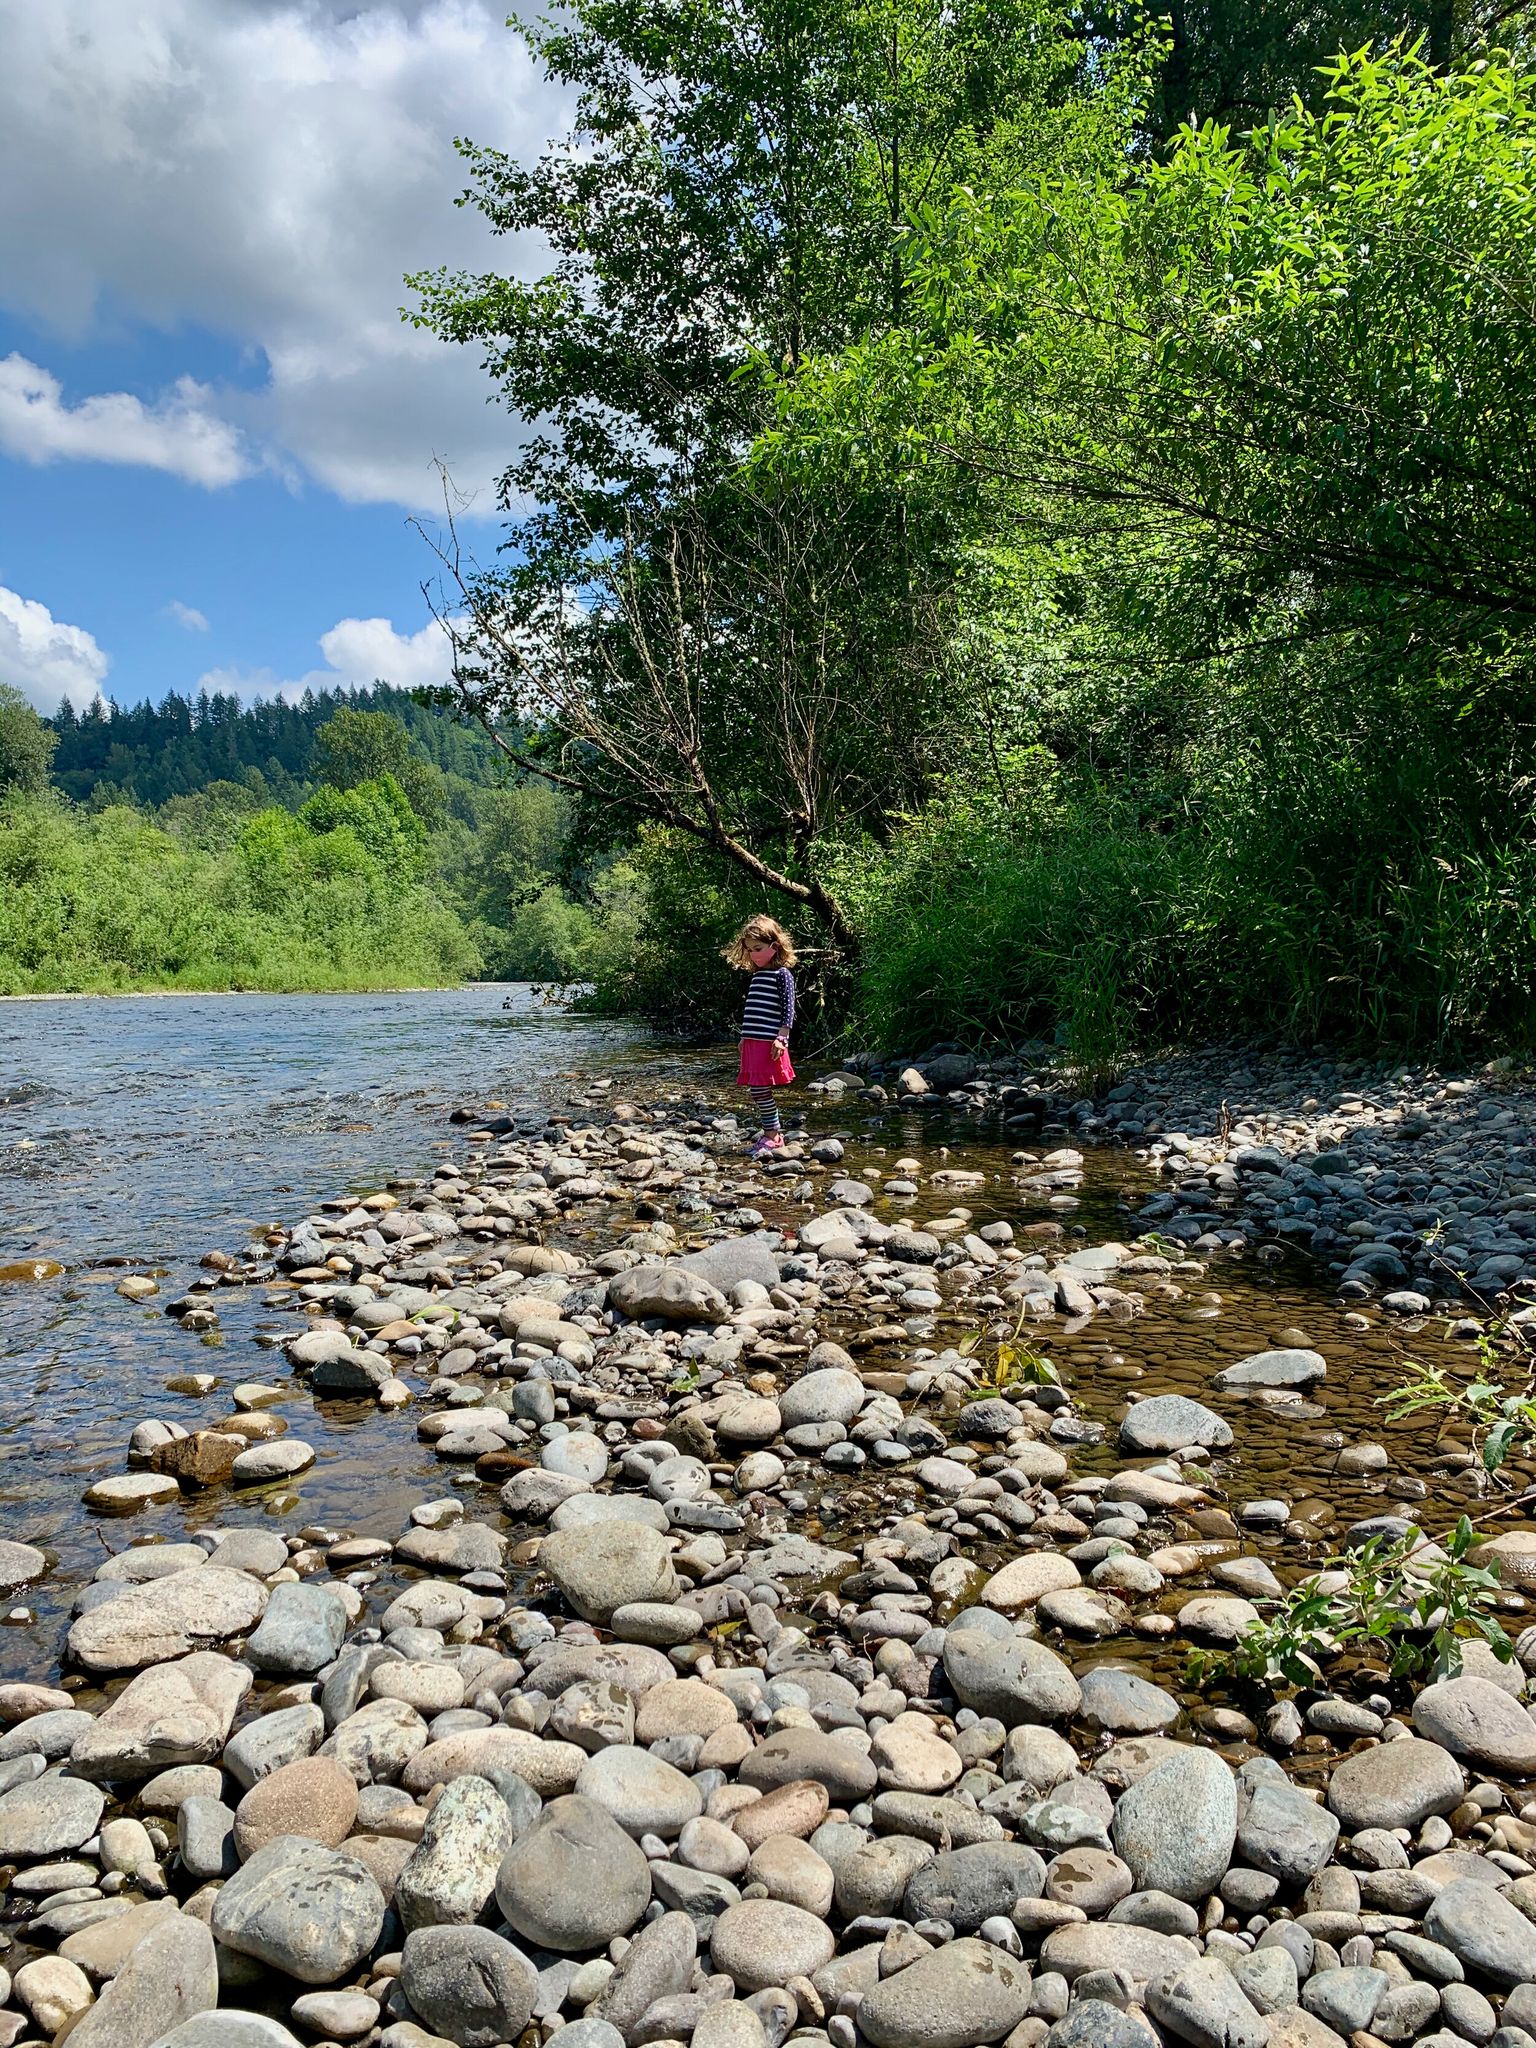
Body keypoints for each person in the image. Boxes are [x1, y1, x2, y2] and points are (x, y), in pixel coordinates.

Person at [724, 915, 797, 1159]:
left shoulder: (782, 974)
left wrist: (782, 1038)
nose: (754, 954)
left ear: (774, 946)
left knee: (760, 1088)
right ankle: (771, 1133)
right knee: (757, 1088)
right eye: (750, 950)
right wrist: (744, 1038)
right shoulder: (757, 975)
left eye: (758, 949)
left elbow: (788, 1008)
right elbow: (753, 1011)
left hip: (770, 1041)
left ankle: (773, 1135)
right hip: (753, 1040)